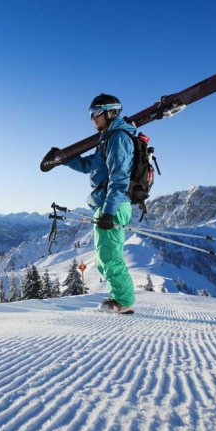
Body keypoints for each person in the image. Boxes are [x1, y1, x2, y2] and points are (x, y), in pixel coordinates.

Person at [62, 93, 135, 314]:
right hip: (105, 205)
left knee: (110, 256)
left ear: (110, 112)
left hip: (112, 205)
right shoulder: (107, 138)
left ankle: (124, 301)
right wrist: (65, 159)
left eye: (96, 114)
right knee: (105, 257)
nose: (93, 119)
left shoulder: (117, 138)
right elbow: (89, 166)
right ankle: (120, 298)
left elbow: (119, 177)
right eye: (90, 115)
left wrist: (109, 212)